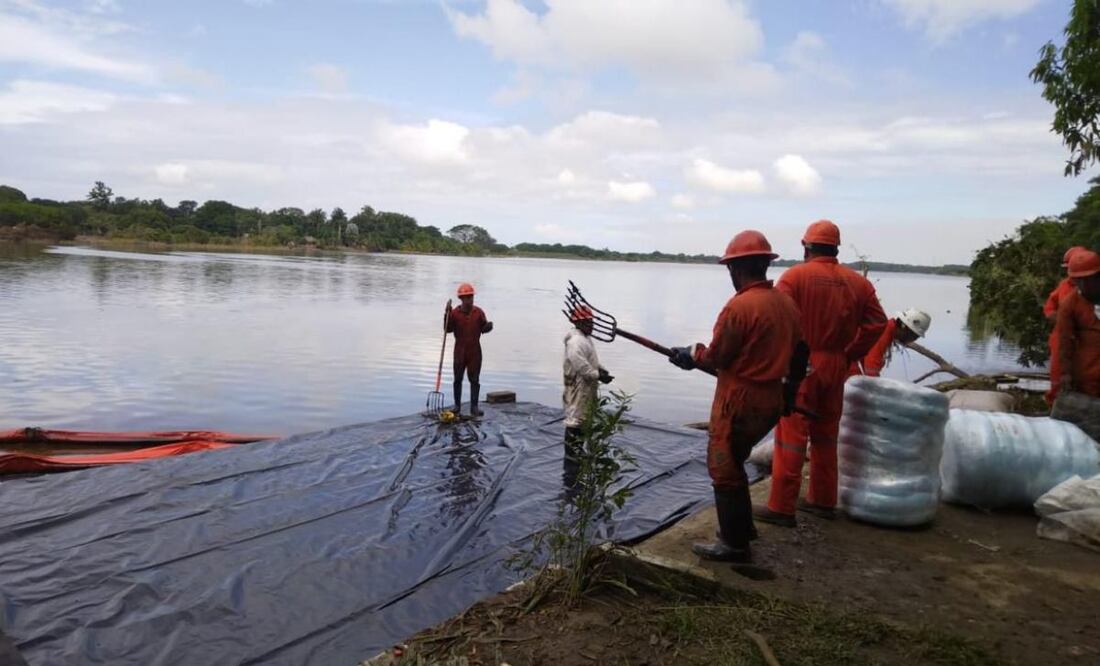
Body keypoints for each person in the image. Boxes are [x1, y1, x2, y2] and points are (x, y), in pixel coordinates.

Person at [668, 230, 803, 563]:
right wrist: (789, 393)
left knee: (724, 468)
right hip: (772, 396)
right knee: (738, 460)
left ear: (737, 269)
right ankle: (743, 530)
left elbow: (718, 357)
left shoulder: (740, 307)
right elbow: (801, 354)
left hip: (740, 399)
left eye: (730, 268)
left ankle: (734, 545)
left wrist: (692, 354)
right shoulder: (785, 302)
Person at [756, 220, 886, 527]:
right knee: (826, 436)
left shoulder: (795, 276)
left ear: (806, 247)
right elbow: (877, 323)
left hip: (802, 366)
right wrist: (850, 352)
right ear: (836, 248)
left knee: (791, 435)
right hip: (836, 366)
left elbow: (777, 317)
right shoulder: (859, 283)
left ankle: (782, 507)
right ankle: (823, 500)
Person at [562, 306, 613, 488]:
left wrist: (600, 369)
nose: (592, 325)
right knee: (575, 419)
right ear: (579, 322)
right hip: (577, 386)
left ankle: (578, 454)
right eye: (589, 322)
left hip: (586, 386)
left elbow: (591, 360)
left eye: (592, 322)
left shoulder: (586, 339)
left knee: (584, 419)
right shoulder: (576, 342)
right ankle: (571, 459)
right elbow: (581, 366)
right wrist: (598, 375)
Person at [1056, 249, 1100, 399]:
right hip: (1088, 374)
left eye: (1089, 279)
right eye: (1079, 280)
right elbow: (1065, 341)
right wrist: (1066, 373)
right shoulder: (1069, 305)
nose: (1084, 285)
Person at [1045, 246, 1086, 404]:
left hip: (1086, 340)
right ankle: (1055, 404)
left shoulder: (1092, 289)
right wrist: (1053, 316)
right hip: (1061, 336)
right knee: (1058, 373)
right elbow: (1050, 305)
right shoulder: (1064, 285)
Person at [445, 283, 493, 417]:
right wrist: (446, 314)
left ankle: (474, 407)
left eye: (470, 297)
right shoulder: (454, 313)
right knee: (457, 379)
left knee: (474, 380)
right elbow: (447, 329)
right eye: (466, 297)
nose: (469, 300)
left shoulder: (479, 312)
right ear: (461, 299)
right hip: (459, 351)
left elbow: (484, 327)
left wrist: (488, 327)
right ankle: (457, 406)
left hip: (475, 351)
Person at [853, 308, 931, 377]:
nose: (913, 340)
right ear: (904, 327)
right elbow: (870, 369)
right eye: (914, 336)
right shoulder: (883, 333)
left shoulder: (886, 331)